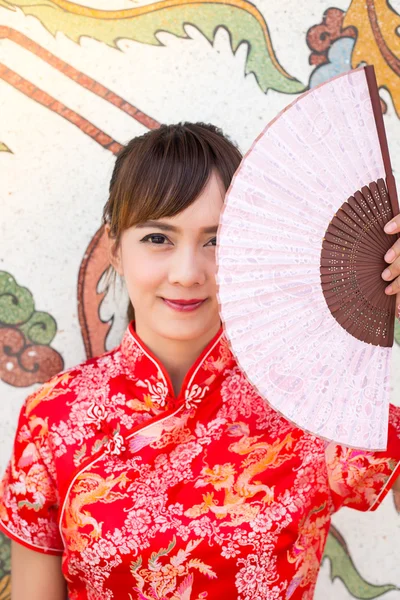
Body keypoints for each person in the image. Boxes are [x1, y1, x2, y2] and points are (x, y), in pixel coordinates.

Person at [0, 122, 399, 600]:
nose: (188, 273)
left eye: (215, 240)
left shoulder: (310, 404)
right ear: (116, 249)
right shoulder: (53, 416)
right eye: (157, 239)